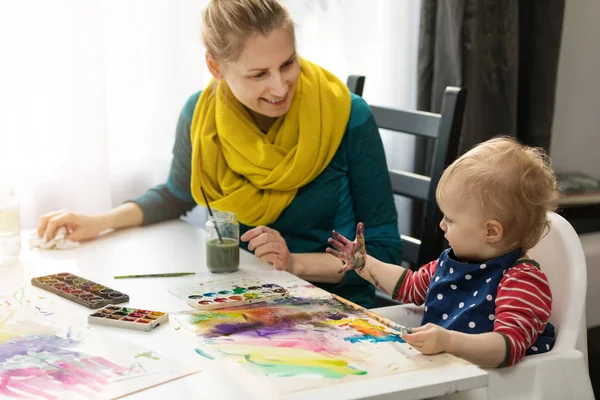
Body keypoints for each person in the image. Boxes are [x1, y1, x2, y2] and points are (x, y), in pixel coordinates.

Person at [35, 0, 402, 308]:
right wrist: (97, 222)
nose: (280, 87)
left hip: (334, 307)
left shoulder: (347, 117)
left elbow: (384, 252)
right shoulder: (200, 115)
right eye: (259, 74)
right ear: (215, 67)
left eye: (288, 63)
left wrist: (293, 262)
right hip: (243, 299)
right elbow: (175, 195)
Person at [327, 137, 560, 367]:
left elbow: (506, 347)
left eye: (450, 219)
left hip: (495, 387)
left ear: (490, 231)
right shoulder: (452, 263)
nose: (442, 225)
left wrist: (449, 341)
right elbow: (409, 286)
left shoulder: (522, 280)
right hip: (446, 375)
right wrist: (364, 264)